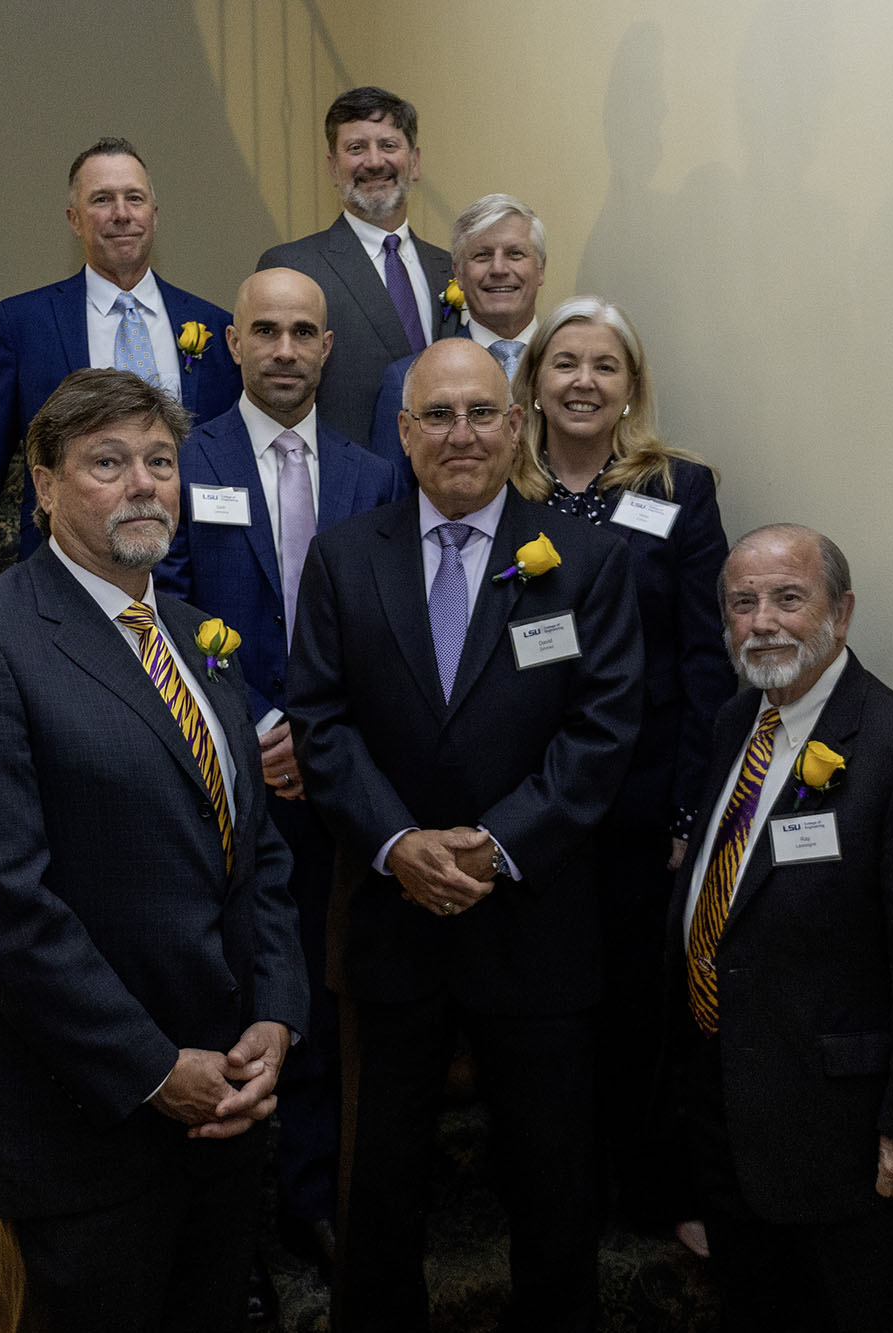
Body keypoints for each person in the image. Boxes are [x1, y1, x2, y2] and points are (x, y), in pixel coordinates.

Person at [0, 368, 309, 1332]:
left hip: (224, 1110)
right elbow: (2, 908)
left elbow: (259, 853)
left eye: (161, 462)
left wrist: (278, 1015)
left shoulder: (198, 642)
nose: (143, 484)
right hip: (89, 1125)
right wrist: (152, 1068)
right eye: (108, 462)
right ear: (42, 484)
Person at [289, 339, 643, 1332]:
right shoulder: (342, 557)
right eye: (436, 415)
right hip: (388, 925)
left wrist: (496, 844)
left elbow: (602, 730)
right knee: (378, 1187)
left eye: (481, 412)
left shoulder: (588, 562)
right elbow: (318, 725)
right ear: (401, 435)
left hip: (533, 923)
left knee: (552, 1184)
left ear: (516, 424)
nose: (461, 434)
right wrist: (397, 844)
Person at [671, 523, 893, 1331]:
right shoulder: (732, 727)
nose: (764, 621)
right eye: (742, 604)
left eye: (788, 597)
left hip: (853, 1150)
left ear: (841, 614)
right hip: (735, 1123)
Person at [154, 266, 398, 1277]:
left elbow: (388, 616)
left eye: (305, 332)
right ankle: (225, 1219)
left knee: (323, 996)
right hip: (222, 766)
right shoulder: (181, 458)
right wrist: (253, 718)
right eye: (268, 331)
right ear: (234, 345)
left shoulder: (371, 473)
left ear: (328, 348)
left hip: (335, 780)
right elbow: (162, 594)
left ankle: (309, 1197)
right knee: (225, 990)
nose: (287, 350)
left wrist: (322, 731)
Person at [507, 295, 735, 1222]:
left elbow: (706, 660)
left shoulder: (679, 488)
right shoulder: (500, 489)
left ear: (631, 384)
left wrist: (690, 809)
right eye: (566, 363)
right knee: (546, 1002)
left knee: (641, 1002)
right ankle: (556, 1186)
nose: (584, 381)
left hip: (644, 798)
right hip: (532, 790)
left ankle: (641, 1185)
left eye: (606, 365)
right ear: (534, 383)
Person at [0, 137, 241, 646]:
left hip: (193, 585)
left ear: (155, 212)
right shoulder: (25, 323)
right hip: (66, 581)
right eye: (102, 200)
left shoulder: (212, 326)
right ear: (74, 218)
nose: (121, 214)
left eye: (134, 198)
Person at [257, 87, 453, 445]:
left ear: (415, 162)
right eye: (356, 148)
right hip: (352, 489)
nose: (374, 162)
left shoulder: (453, 270)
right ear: (333, 166)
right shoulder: (293, 267)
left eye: (389, 146)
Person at [367, 193, 547, 486]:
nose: (499, 269)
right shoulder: (406, 379)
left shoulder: (574, 375)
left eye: (515, 254)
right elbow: (392, 503)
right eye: (481, 256)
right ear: (458, 274)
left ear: (540, 268)